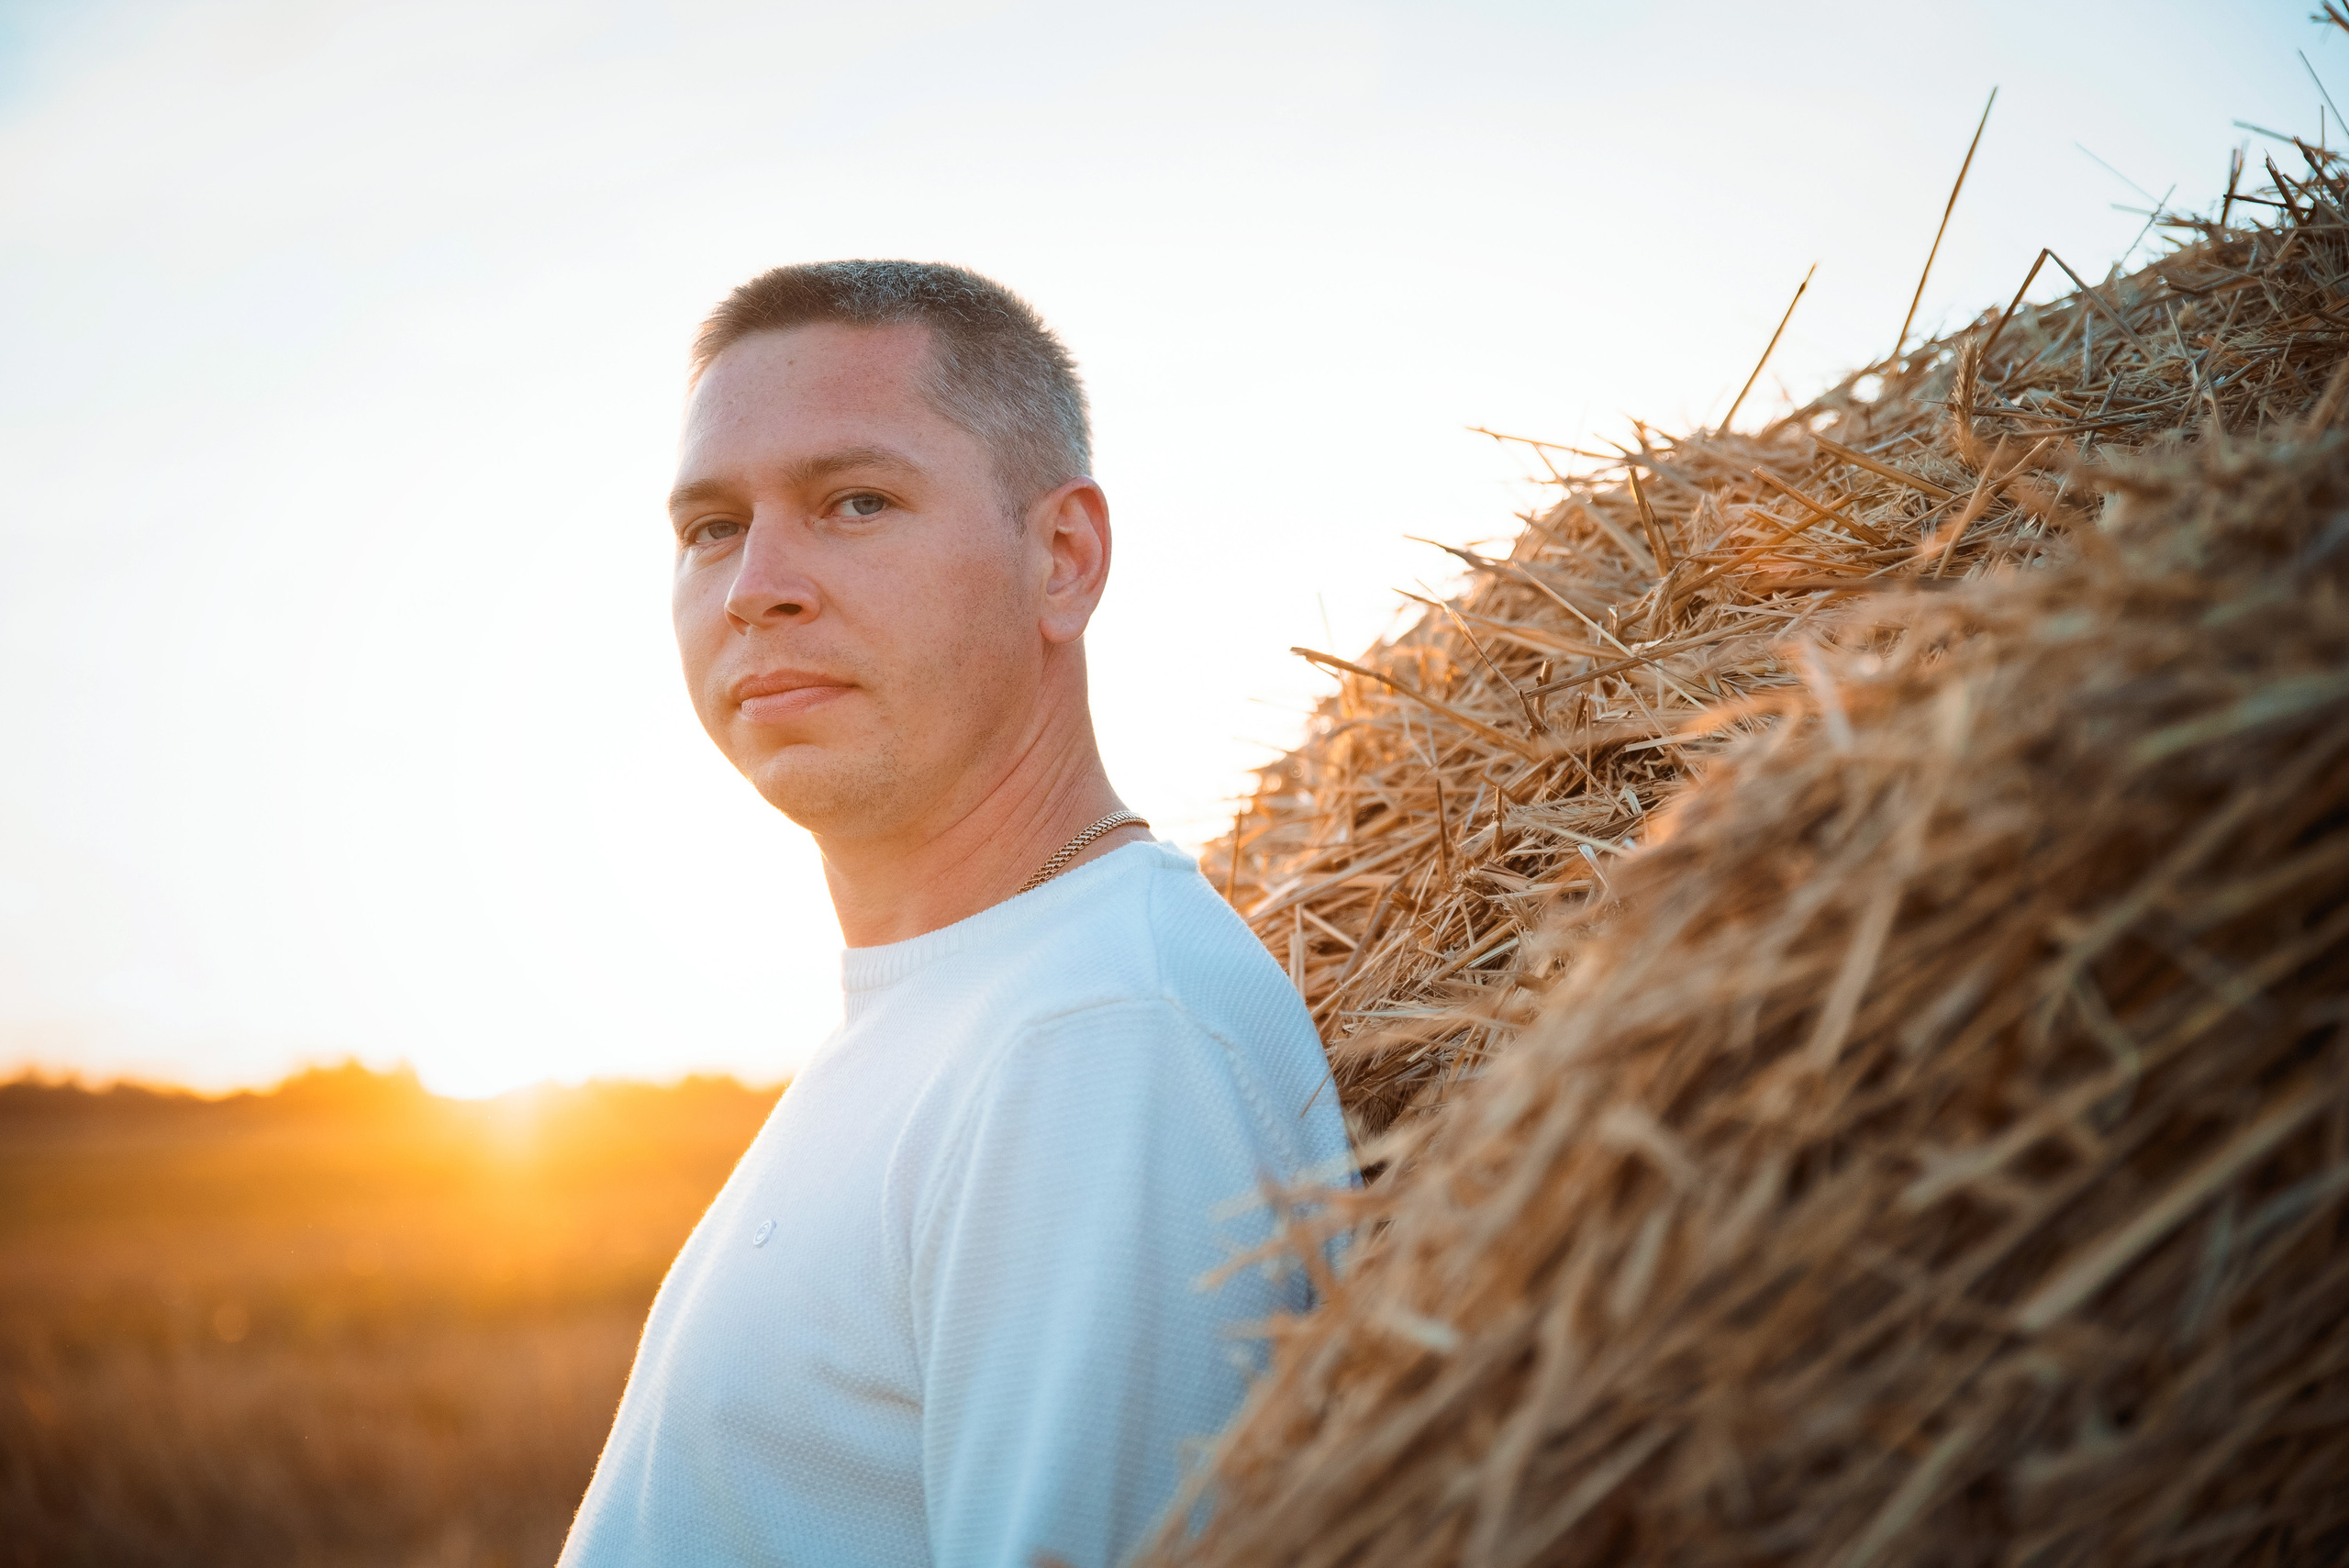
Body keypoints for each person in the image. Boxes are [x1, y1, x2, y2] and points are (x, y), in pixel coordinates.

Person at [558, 261, 1351, 1568]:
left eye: (854, 501)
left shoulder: (1094, 1040)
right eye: (710, 526)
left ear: (1064, 558)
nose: (757, 583)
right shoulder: (962, 1004)